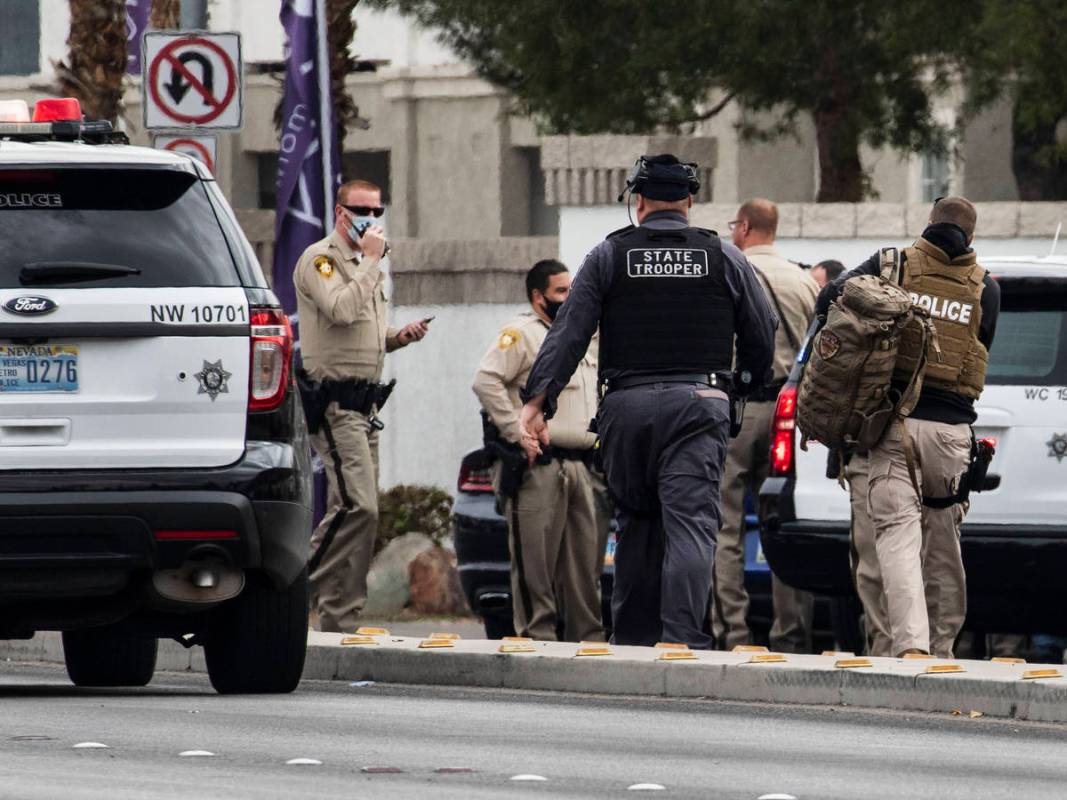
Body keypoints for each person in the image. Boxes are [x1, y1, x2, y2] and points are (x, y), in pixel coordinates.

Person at [517, 154, 777, 649]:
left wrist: (537, 401)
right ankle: (680, 638)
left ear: (637, 202)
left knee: (635, 521)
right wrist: (742, 385)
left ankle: (633, 640)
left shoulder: (609, 255)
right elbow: (763, 329)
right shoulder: (723, 255)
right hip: (699, 404)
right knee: (691, 524)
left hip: (627, 407)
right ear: (690, 202)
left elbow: (570, 332)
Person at [815, 196, 1000, 657]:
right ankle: (942, 650)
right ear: (971, 238)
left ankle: (910, 647)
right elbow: (980, 348)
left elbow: (827, 300)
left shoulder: (891, 264)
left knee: (896, 538)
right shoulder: (986, 287)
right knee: (942, 544)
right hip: (952, 435)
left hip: (893, 426)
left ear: (929, 224)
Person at [294, 179, 430, 633]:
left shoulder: (364, 264)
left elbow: (364, 335)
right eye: (361, 209)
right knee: (359, 506)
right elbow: (340, 311)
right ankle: (288, 587)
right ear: (340, 211)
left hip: (365, 403)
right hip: (333, 403)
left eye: (377, 209)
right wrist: (372, 260)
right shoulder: (323, 260)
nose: (371, 218)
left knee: (361, 516)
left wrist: (398, 337)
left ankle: (340, 618)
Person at [472, 260, 611, 641]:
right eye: (560, 292)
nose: (569, 298)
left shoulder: (584, 336)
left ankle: (588, 640)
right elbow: (486, 381)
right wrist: (517, 430)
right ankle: (539, 637)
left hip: (584, 463)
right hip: (540, 465)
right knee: (537, 563)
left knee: (585, 567)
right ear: (538, 297)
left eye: (571, 290)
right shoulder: (523, 334)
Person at [712, 198, 818, 653]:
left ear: (746, 227)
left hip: (736, 410)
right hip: (787, 414)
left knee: (724, 527)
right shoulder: (804, 281)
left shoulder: (726, 272)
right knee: (785, 527)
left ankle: (732, 633)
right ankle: (791, 634)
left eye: (735, 225)